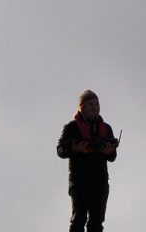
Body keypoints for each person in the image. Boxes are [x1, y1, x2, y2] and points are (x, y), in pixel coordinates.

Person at [57, 89, 118, 232]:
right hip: (79, 181)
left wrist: (109, 152)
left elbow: (112, 157)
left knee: (96, 222)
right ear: (81, 107)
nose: (94, 107)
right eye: (90, 104)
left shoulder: (106, 128)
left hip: (100, 181)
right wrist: (75, 148)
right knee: (78, 219)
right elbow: (60, 150)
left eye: (96, 104)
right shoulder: (71, 127)